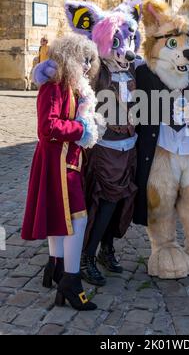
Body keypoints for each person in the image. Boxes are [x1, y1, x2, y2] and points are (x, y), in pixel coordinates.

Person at [21, 34, 106, 311]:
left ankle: (56, 267)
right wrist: (82, 129)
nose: (87, 66)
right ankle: (70, 281)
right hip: (57, 162)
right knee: (76, 221)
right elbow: (47, 127)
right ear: (70, 57)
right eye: (84, 60)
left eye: (90, 61)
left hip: (66, 161)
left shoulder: (71, 86)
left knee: (61, 216)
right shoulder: (55, 86)